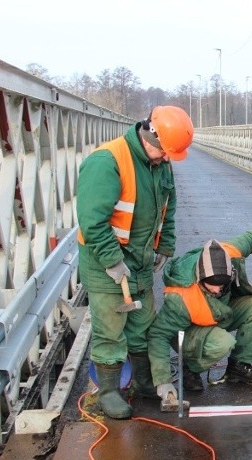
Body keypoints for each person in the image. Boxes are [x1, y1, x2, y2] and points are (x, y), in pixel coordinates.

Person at [77, 105, 194, 419]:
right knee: (111, 332)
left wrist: (164, 246)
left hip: (140, 263)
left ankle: (143, 382)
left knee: (143, 326)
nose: (167, 158)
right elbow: (92, 222)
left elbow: (167, 208)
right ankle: (109, 392)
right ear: (149, 135)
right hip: (106, 266)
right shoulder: (107, 162)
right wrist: (114, 262)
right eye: (165, 152)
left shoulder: (160, 162)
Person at [147, 212, 252, 398]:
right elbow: (158, 335)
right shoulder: (180, 297)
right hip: (191, 330)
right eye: (212, 285)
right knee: (223, 343)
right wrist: (162, 381)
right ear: (200, 278)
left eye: (223, 284)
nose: (217, 289)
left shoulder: (227, 255)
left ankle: (238, 367)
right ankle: (190, 368)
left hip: (219, 313)